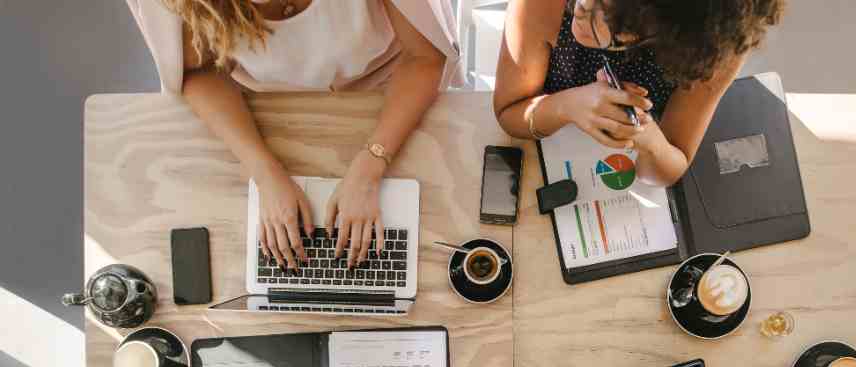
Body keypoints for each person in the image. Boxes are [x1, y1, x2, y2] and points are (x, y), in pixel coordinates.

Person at [127, 0, 460, 269]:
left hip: (392, 91)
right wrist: (265, 173)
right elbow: (198, 70)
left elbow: (425, 57)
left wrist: (372, 163)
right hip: (263, 108)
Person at [494, 0, 784, 187]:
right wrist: (567, 106)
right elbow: (509, 113)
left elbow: (671, 165)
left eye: (608, 12)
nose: (581, 6)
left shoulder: (712, 48)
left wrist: (649, 140)